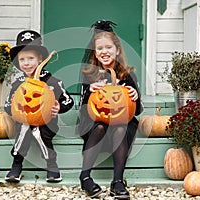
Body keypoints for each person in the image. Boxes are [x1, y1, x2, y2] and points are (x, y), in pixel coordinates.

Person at [77, 20, 143, 199]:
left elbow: (136, 111)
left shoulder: (128, 75)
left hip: (120, 124)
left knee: (121, 127)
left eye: (108, 47)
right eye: (100, 48)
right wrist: (89, 92)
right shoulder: (89, 75)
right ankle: (85, 176)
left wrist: (134, 96)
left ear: (117, 50)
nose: (104, 52)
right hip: (95, 124)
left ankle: (118, 182)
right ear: (95, 53)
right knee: (99, 126)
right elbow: (83, 109)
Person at [4, 30, 74, 183]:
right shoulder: (18, 84)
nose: (26, 63)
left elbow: (68, 100)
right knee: (24, 127)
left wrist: (58, 107)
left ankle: (51, 164)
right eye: (22, 59)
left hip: (47, 123)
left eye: (31, 58)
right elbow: (8, 105)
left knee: (38, 130)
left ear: (40, 59)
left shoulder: (52, 82)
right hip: (23, 122)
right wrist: (15, 111)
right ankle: (17, 164)